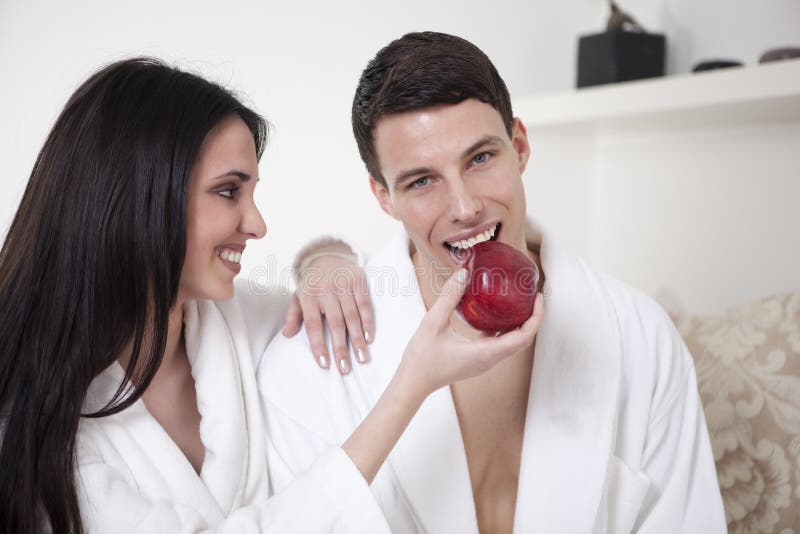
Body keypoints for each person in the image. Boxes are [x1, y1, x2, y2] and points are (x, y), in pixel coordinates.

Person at [0, 57, 541, 534]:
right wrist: (415, 382)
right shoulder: (37, 428)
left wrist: (325, 257)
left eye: (252, 192)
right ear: (138, 195)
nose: (257, 225)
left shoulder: (240, 325)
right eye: (228, 192)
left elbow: (311, 296)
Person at [258, 32, 726, 533]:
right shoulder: (313, 361)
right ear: (384, 196)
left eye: (480, 159)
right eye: (422, 181)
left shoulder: (642, 338)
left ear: (519, 146)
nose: (465, 208)